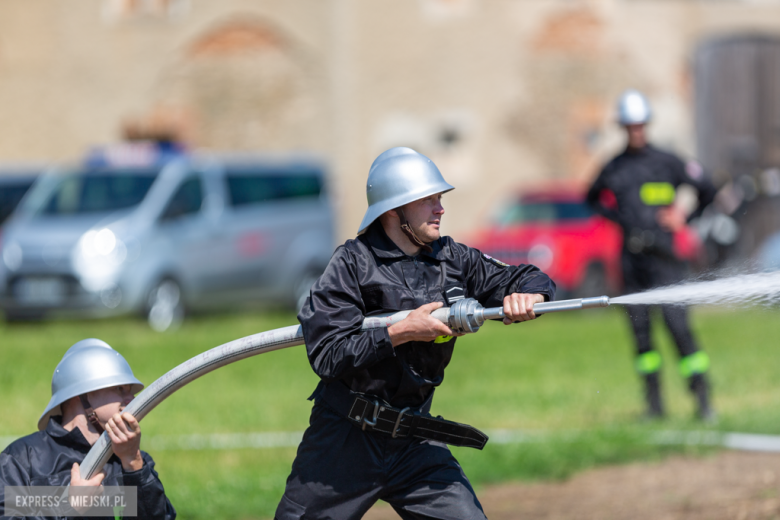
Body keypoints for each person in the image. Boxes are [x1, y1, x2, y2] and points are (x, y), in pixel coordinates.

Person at [275, 147, 556, 519]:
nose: (440, 209)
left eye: (440, 199)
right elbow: (327, 353)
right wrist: (400, 332)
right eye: (428, 201)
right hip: (344, 440)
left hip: (414, 440)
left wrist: (529, 295)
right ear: (394, 210)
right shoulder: (352, 264)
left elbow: (526, 275)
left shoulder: (452, 258)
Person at [586, 90, 718, 420]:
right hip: (633, 263)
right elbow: (589, 197)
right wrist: (619, 222)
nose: (636, 131)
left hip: (665, 260)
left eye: (641, 125)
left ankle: (702, 399)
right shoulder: (614, 167)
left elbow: (709, 190)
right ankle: (654, 407)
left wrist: (683, 219)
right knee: (642, 336)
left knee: (679, 329)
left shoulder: (667, 161)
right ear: (623, 128)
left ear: (647, 125)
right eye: (630, 126)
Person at [0, 338, 176, 519]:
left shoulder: (132, 460)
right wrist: (67, 508)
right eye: (119, 389)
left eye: (130, 390)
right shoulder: (23, 460)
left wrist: (133, 465)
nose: (132, 399)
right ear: (82, 394)